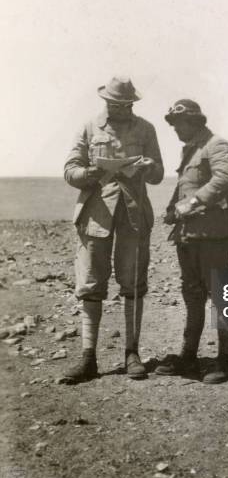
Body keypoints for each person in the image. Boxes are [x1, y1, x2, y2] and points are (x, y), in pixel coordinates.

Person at [62, 76, 164, 383]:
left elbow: (159, 172)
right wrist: (91, 172)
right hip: (96, 214)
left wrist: (147, 167)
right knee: (91, 283)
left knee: (133, 282)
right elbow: (69, 170)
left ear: (131, 103)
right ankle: (88, 357)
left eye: (123, 104)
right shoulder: (89, 127)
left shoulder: (146, 129)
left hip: (133, 214)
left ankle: (131, 353)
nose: (118, 109)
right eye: (112, 104)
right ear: (105, 101)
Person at [155, 99, 228, 384]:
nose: (175, 128)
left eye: (178, 123)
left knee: (221, 297)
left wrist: (192, 203)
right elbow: (185, 187)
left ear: (194, 121)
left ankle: (224, 362)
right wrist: (172, 209)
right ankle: (188, 356)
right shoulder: (191, 150)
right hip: (189, 237)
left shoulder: (216, 145)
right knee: (192, 296)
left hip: (214, 236)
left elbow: (225, 180)